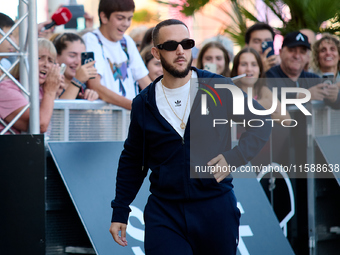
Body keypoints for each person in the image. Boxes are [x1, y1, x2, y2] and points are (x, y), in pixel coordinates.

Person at [109, 19, 272, 255]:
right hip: (165, 213)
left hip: (215, 207)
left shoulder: (218, 87)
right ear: (156, 52)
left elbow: (261, 121)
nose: (180, 51)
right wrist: (120, 209)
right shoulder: (143, 103)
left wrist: (235, 157)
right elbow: (133, 159)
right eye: (171, 45)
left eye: (186, 43)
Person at [82, 0, 151, 110]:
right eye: (120, 18)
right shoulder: (92, 39)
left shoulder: (127, 41)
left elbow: (146, 83)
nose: (126, 24)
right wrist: (135, 107)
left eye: (129, 18)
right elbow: (95, 86)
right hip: (104, 120)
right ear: (104, 17)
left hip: (129, 120)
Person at [0, 38, 64, 134]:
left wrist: (56, 94)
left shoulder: (43, 89)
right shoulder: (5, 89)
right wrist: (50, 93)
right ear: (25, 60)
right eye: (39, 58)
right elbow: (39, 127)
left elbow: (60, 128)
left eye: (50, 60)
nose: (46, 64)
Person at [266, 31, 340, 107]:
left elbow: (335, 102)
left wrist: (334, 97)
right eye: (291, 50)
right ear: (280, 53)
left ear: (308, 57)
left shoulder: (313, 79)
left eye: (302, 52)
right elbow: (267, 99)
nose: (297, 56)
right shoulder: (268, 75)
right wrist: (305, 95)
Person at [231, 47, 290, 123]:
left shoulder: (263, 90)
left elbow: (287, 120)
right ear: (236, 69)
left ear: (259, 70)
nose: (249, 69)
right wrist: (259, 105)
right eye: (243, 64)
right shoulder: (229, 91)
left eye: (254, 64)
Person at [53, 32, 99, 101]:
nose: (77, 62)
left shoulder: (85, 86)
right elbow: (61, 109)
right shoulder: (48, 84)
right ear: (56, 57)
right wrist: (77, 81)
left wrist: (91, 95)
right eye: (72, 56)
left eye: (82, 56)